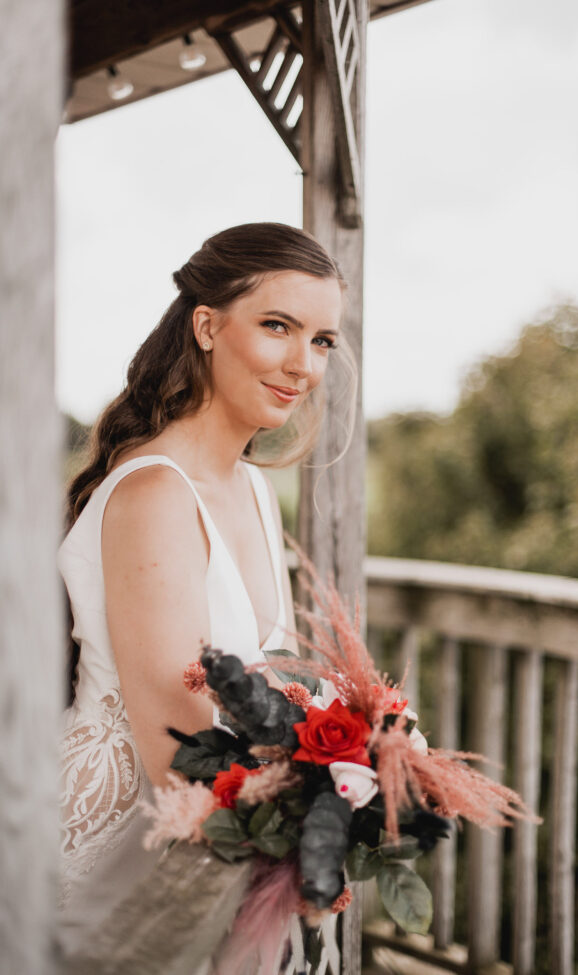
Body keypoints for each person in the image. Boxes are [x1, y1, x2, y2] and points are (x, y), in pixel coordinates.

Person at [57, 222, 357, 966]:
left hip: (226, 850)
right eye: (277, 326)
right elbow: (178, 756)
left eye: (321, 340)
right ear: (207, 325)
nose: (302, 364)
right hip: (131, 871)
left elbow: (274, 680)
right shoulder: (157, 494)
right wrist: (322, 809)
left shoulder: (252, 486)